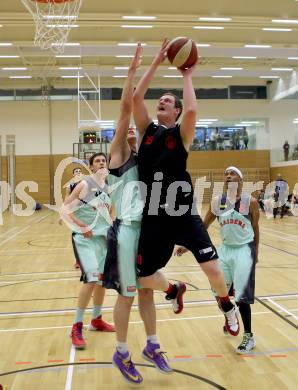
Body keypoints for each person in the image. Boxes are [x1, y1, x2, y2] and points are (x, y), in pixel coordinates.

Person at [133, 39, 239, 337]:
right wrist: (155, 61)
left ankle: (226, 305)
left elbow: (192, 112)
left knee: (214, 270)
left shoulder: (180, 135)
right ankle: (173, 288)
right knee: (143, 277)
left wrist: (187, 75)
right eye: (161, 99)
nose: (162, 101)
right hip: (153, 217)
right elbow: (136, 98)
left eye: (168, 100)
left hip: (181, 213)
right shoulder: (147, 132)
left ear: (176, 110)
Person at [103, 44, 171, 385]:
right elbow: (126, 112)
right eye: (127, 129)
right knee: (127, 294)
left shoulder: (144, 158)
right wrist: (134, 72)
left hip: (148, 231)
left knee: (145, 291)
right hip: (127, 231)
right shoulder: (117, 154)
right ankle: (121, 351)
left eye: (134, 131)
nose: (132, 130)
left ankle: (153, 345)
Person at [176, 166, 259, 353]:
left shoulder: (250, 202)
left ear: (240, 180)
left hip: (244, 250)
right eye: (226, 174)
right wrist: (188, 246)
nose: (228, 176)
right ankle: (231, 314)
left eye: (233, 174)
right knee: (218, 291)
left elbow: (256, 228)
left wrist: (256, 253)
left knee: (242, 296)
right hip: (225, 250)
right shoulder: (217, 202)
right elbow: (202, 227)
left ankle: (249, 336)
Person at [61, 153, 115, 350]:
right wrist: (81, 225)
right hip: (84, 240)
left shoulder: (107, 188)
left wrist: (112, 226)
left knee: (101, 280)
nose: (101, 163)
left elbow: (110, 212)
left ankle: (96, 319)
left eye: (104, 161)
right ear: (91, 168)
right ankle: (76, 326)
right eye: (97, 162)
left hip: (102, 239)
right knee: (92, 278)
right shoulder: (84, 185)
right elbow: (65, 209)